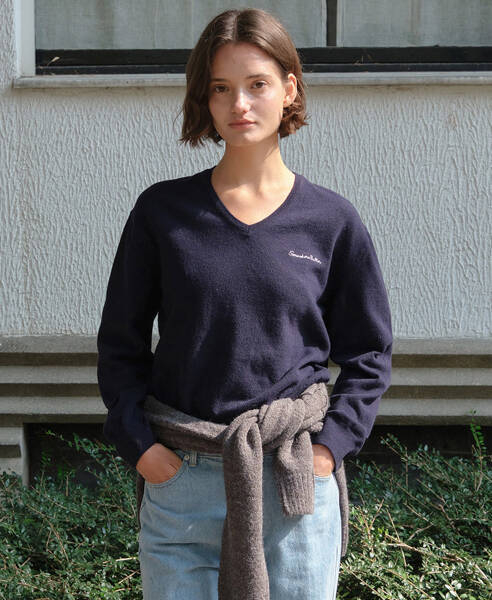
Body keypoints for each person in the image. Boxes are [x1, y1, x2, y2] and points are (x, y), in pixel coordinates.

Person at [96, 7, 393, 600]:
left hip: (292, 481)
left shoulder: (331, 221)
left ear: (290, 89)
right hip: (183, 481)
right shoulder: (163, 213)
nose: (240, 104)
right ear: (204, 100)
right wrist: (143, 449)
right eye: (221, 88)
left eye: (257, 84)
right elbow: (120, 344)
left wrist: (328, 451)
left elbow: (369, 353)